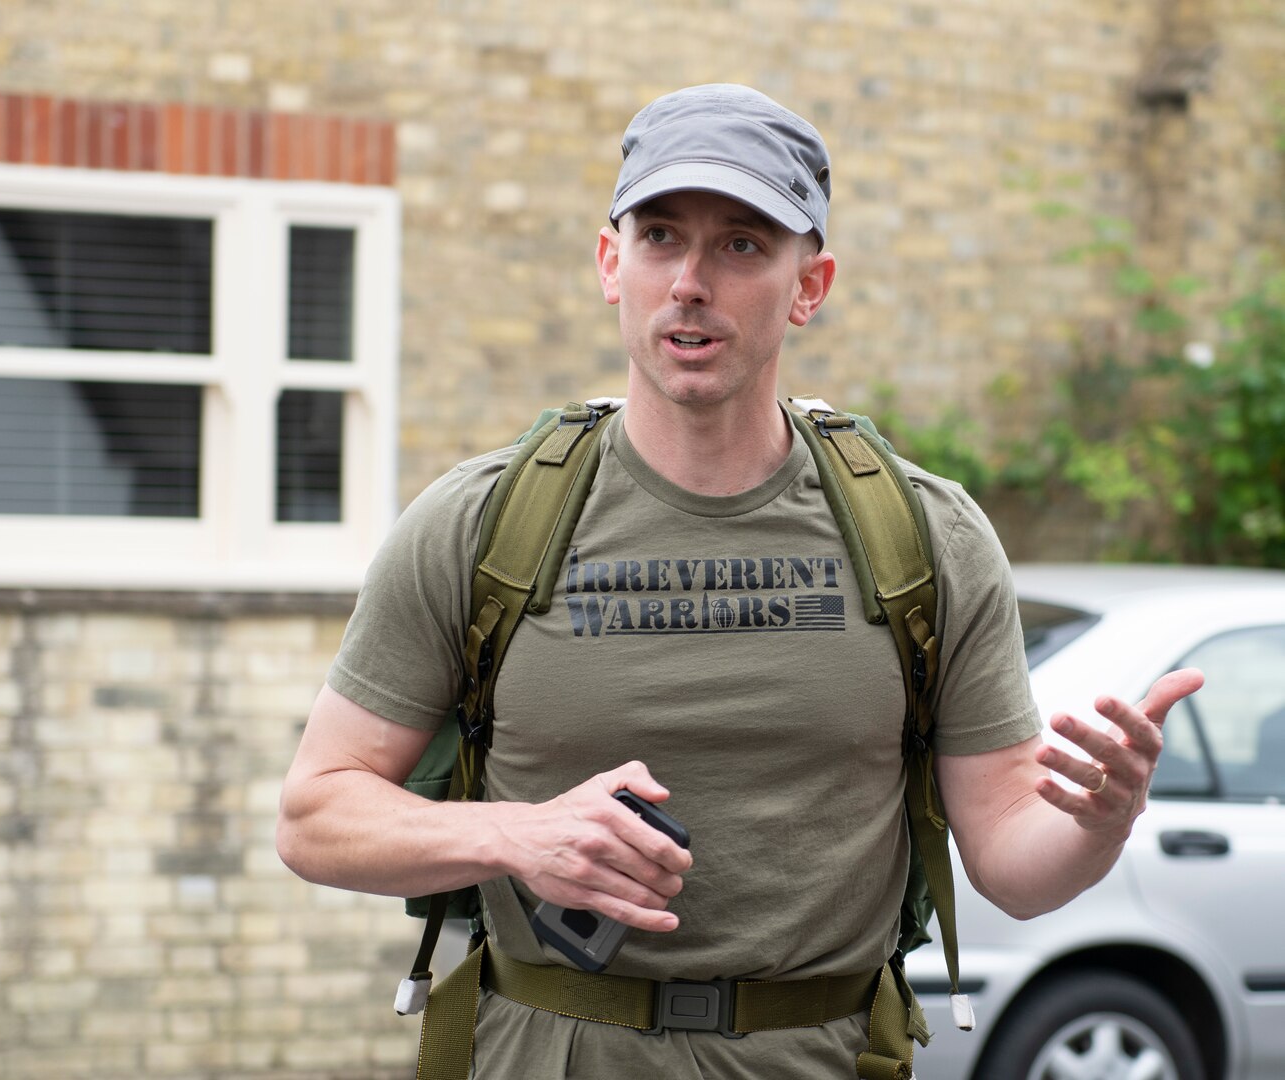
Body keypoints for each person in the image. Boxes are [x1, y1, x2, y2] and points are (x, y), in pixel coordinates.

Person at [275, 84, 1203, 1079]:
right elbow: (316, 815)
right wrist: (517, 835)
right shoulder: (479, 525)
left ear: (811, 285)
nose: (689, 281)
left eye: (743, 246)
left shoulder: (925, 537)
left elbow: (1016, 866)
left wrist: (1099, 824)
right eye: (662, 237)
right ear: (609, 264)